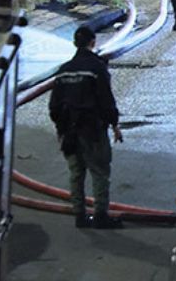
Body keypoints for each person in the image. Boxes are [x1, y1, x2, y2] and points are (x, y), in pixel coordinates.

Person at [49, 25, 124, 228]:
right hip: (92, 130)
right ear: (93, 42)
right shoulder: (97, 68)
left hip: (69, 131)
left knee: (76, 173)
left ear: (75, 44)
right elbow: (106, 100)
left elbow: (54, 105)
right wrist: (115, 124)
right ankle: (100, 215)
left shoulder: (63, 71)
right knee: (99, 171)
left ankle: (80, 216)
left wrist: (61, 129)